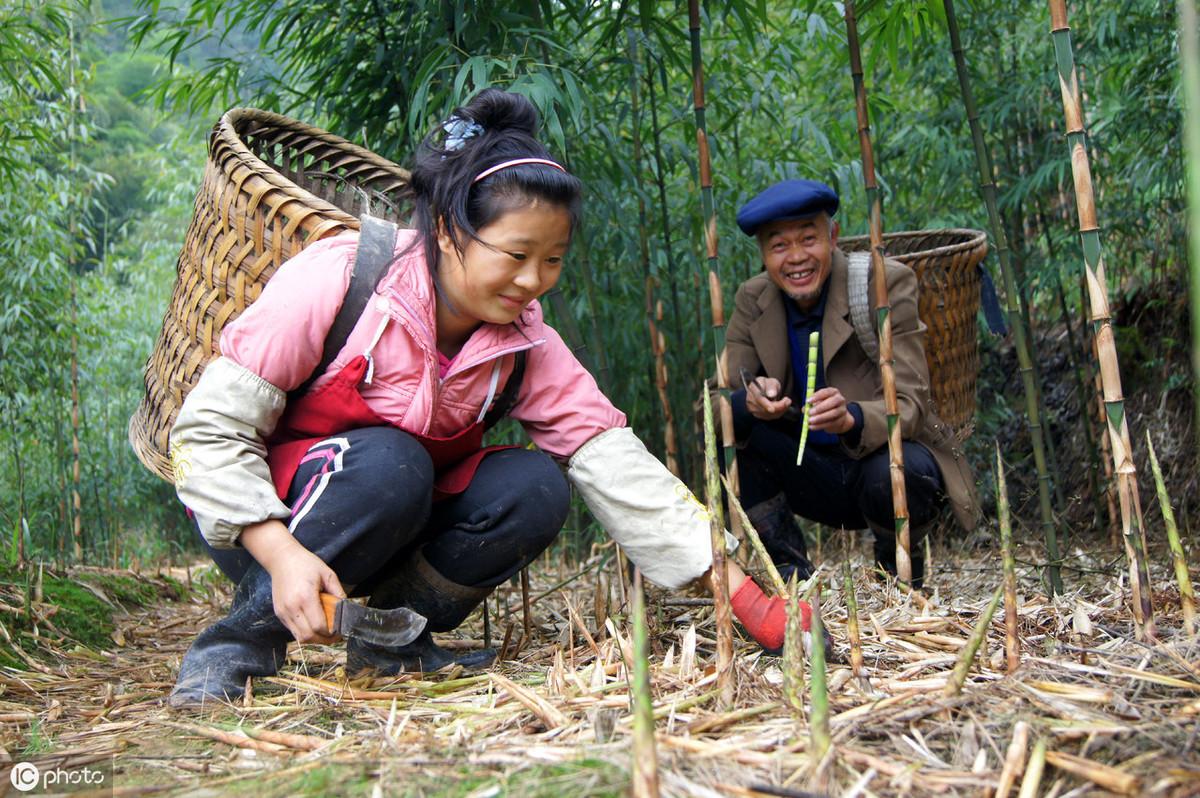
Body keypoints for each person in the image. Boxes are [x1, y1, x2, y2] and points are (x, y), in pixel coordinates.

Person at [166, 90, 811, 708]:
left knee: (535, 487)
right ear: (450, 230)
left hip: (395, 513)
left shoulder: (526, 342)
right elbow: (206, 432)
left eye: (553, 260)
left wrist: (748, 600)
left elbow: (615, 463)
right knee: (395, 464)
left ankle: (390, 644)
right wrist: (279, 553)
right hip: (264, 519)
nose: (534, 282)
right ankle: (234, 647)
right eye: (517, 254)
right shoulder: (343, 278)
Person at [724, 179, 980, 588]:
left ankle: (897, 570)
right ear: (763, 255)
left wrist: (852, 418)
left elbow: (912, 402)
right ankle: (792, 578)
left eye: (809, 239)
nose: (796, 258)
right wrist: (749, 402)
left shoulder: (884, 283)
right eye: (779, 246)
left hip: (877, 465)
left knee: (905, 468)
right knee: (737, 450)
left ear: (833, 237)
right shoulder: (751, 299)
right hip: (813, 473)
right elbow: (715, 403)